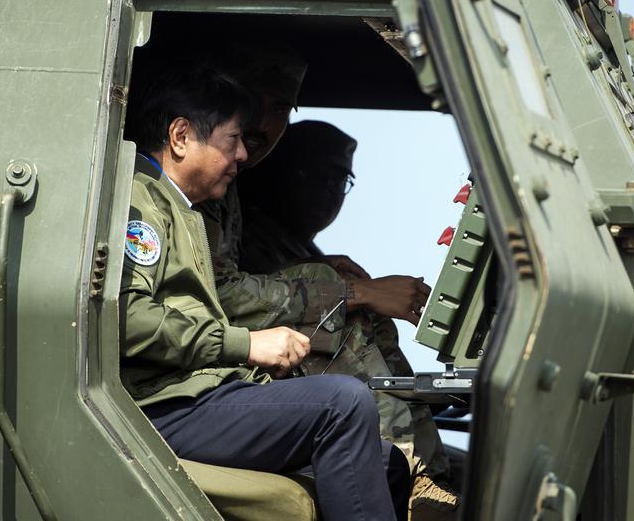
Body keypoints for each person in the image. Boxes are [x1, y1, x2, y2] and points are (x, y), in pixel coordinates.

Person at [120, 63, 409, 521]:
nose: (242, 155)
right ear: (180, 137)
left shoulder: (186, 211)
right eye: (232, 140)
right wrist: (246, 345)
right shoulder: (141, 202)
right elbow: (127, 319)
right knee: (343, 403)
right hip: (167, 403)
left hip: (203, 394)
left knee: (388, 461)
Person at [238, 120, 460, 520]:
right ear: (275, 171)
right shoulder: (243, 236)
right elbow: (240, 305)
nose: (327, 191)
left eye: (340, 180)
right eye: (314, 174)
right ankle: (414, 471)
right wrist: (350, 295)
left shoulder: (303, 249)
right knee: (345, 317)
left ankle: (426, 475)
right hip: (255, 385)